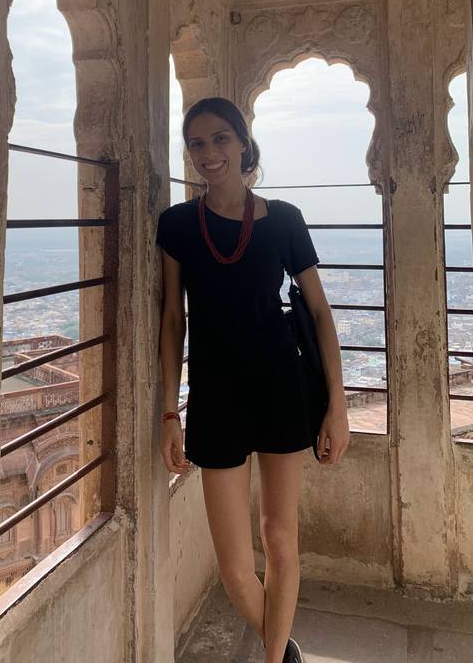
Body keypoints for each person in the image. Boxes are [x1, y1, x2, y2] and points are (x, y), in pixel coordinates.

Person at [156, 96, 350, 663]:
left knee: (281, 539)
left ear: (243, 142)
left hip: (282, 390)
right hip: (215, 400)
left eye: (220, 138)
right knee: (237, 570)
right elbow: (172, 321)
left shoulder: (284, 220)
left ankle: (273, 662)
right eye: (196, 143)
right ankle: (285, 651)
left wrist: (336, 407)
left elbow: (318, 313)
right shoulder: (176, 226)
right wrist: (170, 410)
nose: (209, 152)